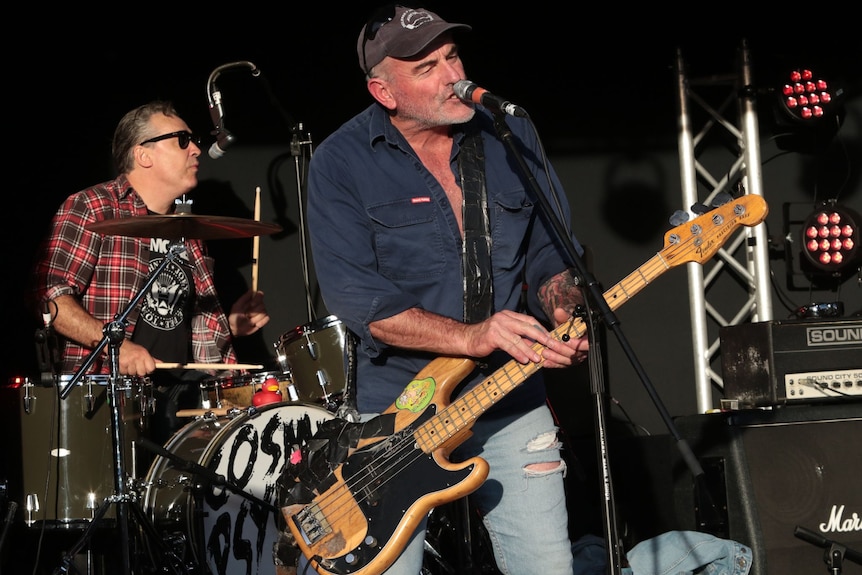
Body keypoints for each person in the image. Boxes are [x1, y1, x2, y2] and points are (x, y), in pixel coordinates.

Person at [303, 5, 589, 574]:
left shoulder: (507, 129)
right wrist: (474, 335)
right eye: (427, 66)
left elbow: (551, 249)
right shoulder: (340, 161)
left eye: (452, 55)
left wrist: (565, 307)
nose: (453, 74)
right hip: (396, 414)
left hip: (510, 398)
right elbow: (360, 301)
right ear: (384, 91)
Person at [31, 100, 271, 449]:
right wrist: (118, 347)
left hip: (181, 404)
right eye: (182, 140)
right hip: (109, 402)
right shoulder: (93, 208)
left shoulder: (189, 231)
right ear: (144, 154)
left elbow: (181, 326)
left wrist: (230, 324)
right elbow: (48, 298)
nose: (197, 149)